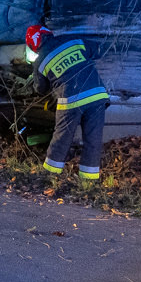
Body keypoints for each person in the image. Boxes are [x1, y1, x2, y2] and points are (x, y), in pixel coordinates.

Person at [27, 25, 109, 182]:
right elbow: (97, 50)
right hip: (97, 95)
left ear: (33, 45)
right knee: (93, 139)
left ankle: (49, 176)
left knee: (62, 138)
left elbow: (40, 89)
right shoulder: (73, 40)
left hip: (71, 100)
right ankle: (88, 181)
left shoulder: (41, 61)